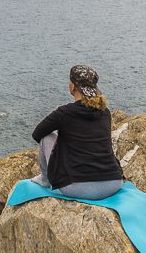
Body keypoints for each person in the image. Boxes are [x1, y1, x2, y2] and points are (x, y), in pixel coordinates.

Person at [30, 65, 124, 200]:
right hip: (113, 184)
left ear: (72, 86)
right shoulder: (106, 112)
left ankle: (45, 179)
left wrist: (62, 146)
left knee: (46, 137)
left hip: (77, 188)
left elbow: (37, 134)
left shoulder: (64, 113)